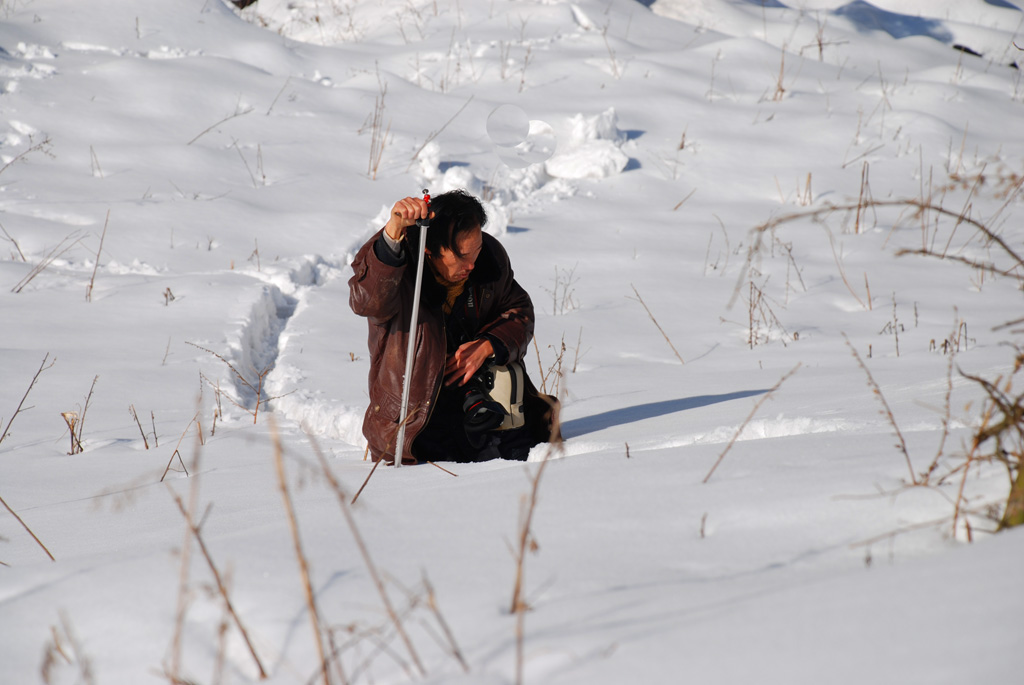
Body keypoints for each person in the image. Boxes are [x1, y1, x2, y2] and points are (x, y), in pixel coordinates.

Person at [348, 189, 560, 465]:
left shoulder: (490, 261)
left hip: (485, 404)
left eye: (477, 250)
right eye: (461, 256)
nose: (472, 264)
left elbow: (519, 310)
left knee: (523, 452)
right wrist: (392, 234)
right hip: (415, 421)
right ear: (430, 251)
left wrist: (488, 344)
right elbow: (367, 302)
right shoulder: (399, 266)